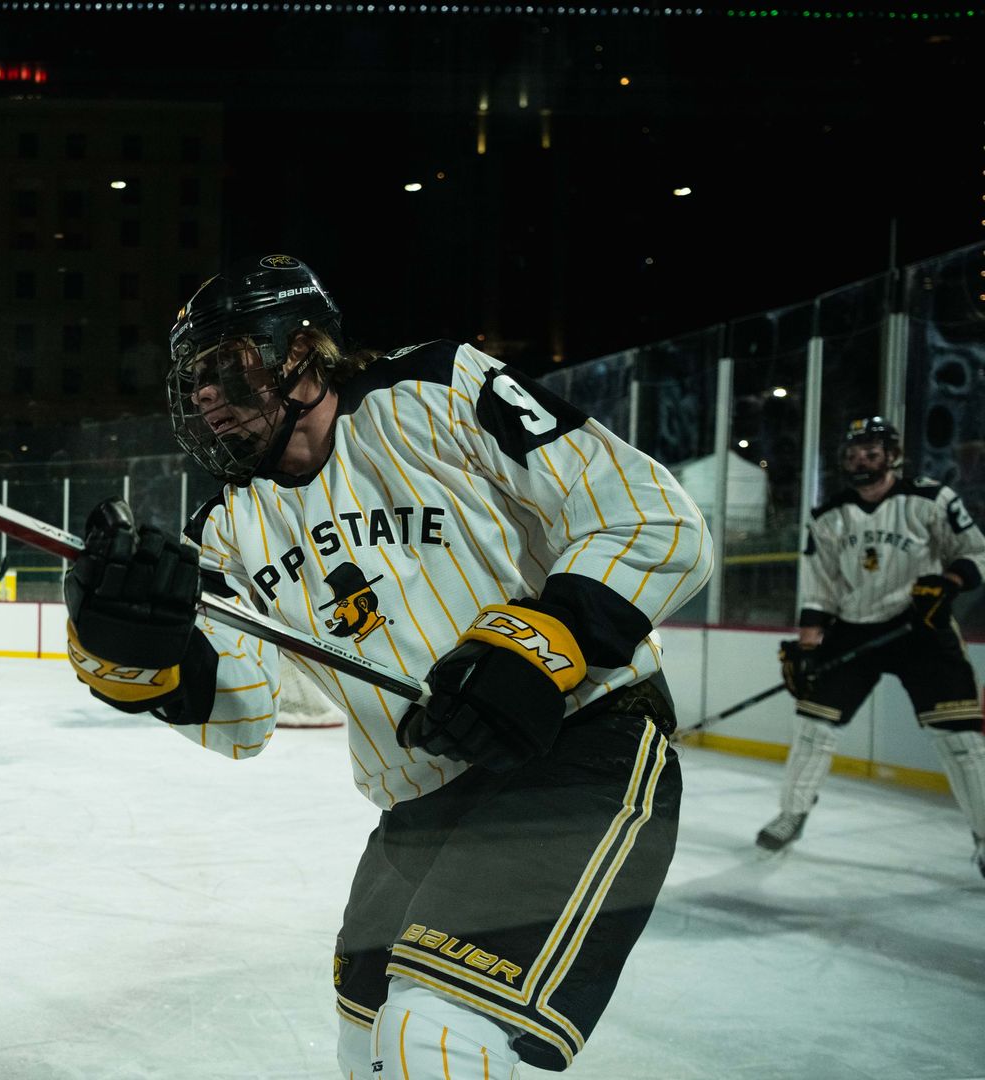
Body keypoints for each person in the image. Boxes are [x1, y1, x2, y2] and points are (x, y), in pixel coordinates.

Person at [61, 255, 713, 1080]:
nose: (203, 397)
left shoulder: (436, 390)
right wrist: (135, 654)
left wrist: (541, 643)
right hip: (416, 811)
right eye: (192, 382)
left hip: (574, 749)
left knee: (437, 1036)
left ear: (302, 350)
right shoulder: (227, 524)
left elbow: (654, 519)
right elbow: (243, 717)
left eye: (225, 367)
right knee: (367, 1048)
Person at [761, 415, 985, 875]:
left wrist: (947, 582)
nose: (861, 460)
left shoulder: (930, 499)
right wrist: (806, 649)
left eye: (871, 451)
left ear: (893, 455)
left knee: (960, 739)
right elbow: (819, 589)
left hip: (922, 627)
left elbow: (976, 551)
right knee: (813, 728)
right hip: (852, 627)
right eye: (852, 453)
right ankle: (792, 813)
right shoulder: (828, 517)